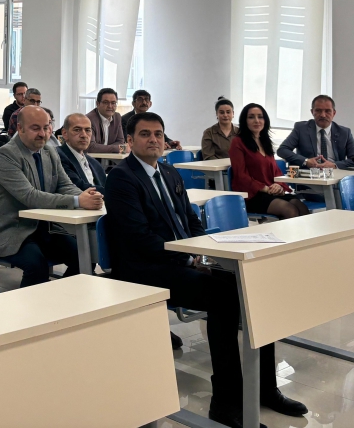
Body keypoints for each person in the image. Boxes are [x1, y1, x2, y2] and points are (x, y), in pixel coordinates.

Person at [105, 111, 307, 428]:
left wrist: (204, 252)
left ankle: (265, 388)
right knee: (224, 297)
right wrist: (190, 258)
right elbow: (139, 238)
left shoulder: (169, 173)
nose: (153, 139)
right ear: (130, 140)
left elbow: (192, 220)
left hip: (181, 259)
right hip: (145, 269)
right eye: (145, 134)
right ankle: (225, 402)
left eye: (158, 134)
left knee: (254, 284)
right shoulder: (121, 178)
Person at [0, 105, 103, 287]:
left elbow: (65, 185)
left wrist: (87, 196)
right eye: (35, 128)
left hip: (44, 228)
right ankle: (33, 305)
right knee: (37, 266)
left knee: (84, 256)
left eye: (46, 127)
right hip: (11, 230)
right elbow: (30, 197)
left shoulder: (49, 151)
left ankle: (62, 297)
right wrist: (78, 201)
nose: (42, 134)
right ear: (20, 128)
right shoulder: (6, 155)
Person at [231, 103, 310, 219]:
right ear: (244, 121)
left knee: (301, 206)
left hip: (270, 192)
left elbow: (276, 171)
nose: (257, 120)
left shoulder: (265, 142)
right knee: (289, 210)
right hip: (251, 195)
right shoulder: (237, 142)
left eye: (260, 117)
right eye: (251, 117)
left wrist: (279, 185)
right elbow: (241, 175)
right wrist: (265, 189)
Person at [277, 95, 354, 169]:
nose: (323, 115)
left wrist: (334, 165)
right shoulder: (301, 128)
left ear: (334, 113)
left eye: (327, 111)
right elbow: (282, 150)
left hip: (335, 175)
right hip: (309, 175)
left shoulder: (344, 132)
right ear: (312, 112)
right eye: (318, 110)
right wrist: (306, 161)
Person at [56, 113, 107, 191]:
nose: (84, 135)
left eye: (88, 130)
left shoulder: (94, 163)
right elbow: (79, 187)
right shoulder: (58, 156)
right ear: (65, 133)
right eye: (77, 130)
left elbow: (106, 185)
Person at [87, 88, 128, 158]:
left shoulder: (117, 117)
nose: (110, 106)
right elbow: (91, 147)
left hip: (111, 159)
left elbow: (120, 141)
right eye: (106, 102)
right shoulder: (89, 119)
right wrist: (118, 148)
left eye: (113, 103)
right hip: (92, 160)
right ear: (97, 104)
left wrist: (103, 148)